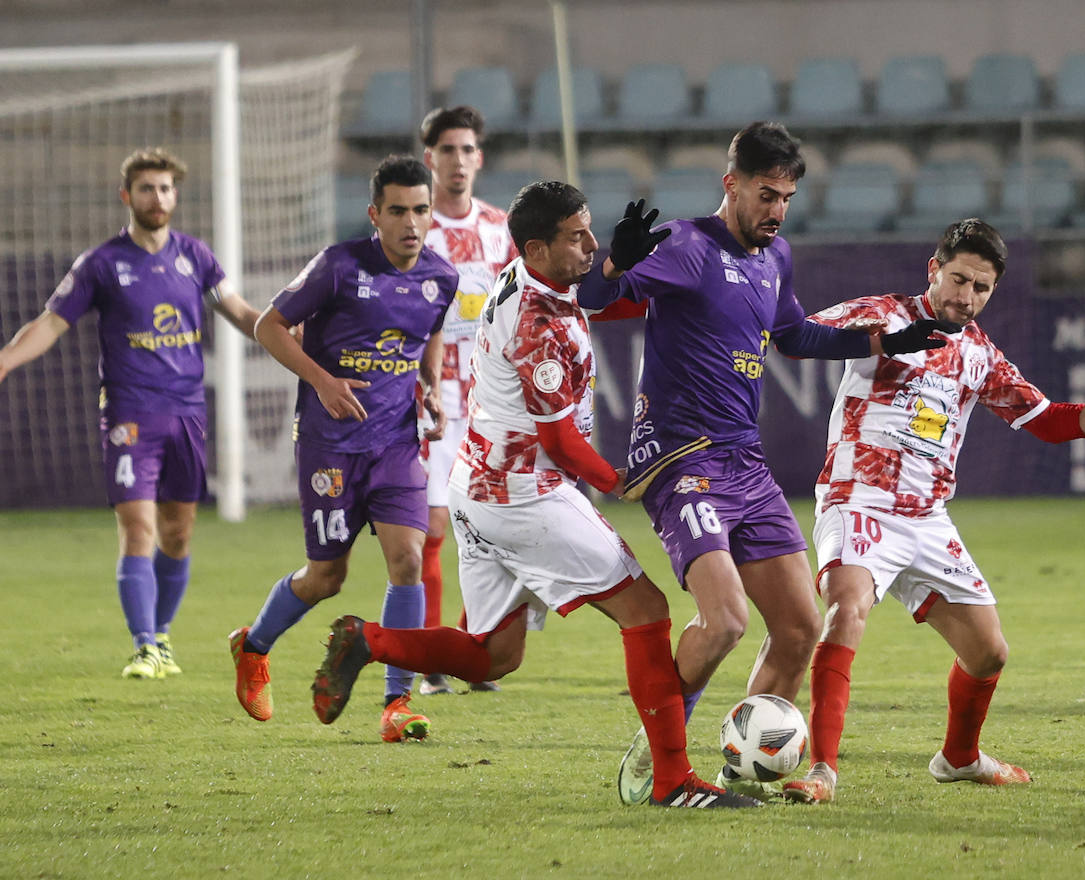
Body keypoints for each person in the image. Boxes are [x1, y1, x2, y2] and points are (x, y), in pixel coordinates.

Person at [308, 181, 760, 808]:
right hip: (526, 493)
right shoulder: (538, 326)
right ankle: (672, 781)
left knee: (494, 656)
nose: (591, 245)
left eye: (590, 231)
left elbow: (598, 292)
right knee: (648, 611)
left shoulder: (533, 276)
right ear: (538, 247)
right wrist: (622, 482)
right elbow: (561, 444)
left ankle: (370, 640)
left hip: (477, 485)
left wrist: (613, 265)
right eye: (578, 238)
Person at [576, 121, 956, 803]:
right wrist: (612, 263)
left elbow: (795, 336)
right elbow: (592, 302)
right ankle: (657, 758)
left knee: (802, 626)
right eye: (764, 194)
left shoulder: (774, 259)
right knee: (724, 620)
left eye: (785, 198)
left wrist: (886, 340)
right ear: (732, 184)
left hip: (743, 463)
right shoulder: (688, 248)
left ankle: (737, 764)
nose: (775, 211)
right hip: (679, 454)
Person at [782, 218, 1085, 803]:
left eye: (982, 288)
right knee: (846, 610)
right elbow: (798, 335)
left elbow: (1049, 421)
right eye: (958, 279)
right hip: (858, 499)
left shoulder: (979, 355)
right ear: (933, 271)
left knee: (989, 651)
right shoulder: (883, 315)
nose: (966, 297)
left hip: (927, 518)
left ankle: (959, 759)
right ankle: (822, 772)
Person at [0, 147, 260, 681]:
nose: (159, 197)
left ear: (177, 195)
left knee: (178, 533)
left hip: (187, 414)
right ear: (126, 196)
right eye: (148, 188)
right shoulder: (101, 263)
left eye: (167, 188)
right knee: (137, 528)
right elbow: (51, 322)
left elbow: (240, 312)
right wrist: (5, 360)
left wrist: (283, 332)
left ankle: (164, 639)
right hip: (130, 413)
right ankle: (143, 645)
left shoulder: (196, 257)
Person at [227, 155, 457, 743]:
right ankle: (252, 646)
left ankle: (397, 702)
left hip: (397, 444)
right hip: (330, 448)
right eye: (398, 211)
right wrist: (322, 381)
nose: (411, 223)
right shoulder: (338, 266)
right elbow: (269, 327)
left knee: (409, 559)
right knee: (327, 576)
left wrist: (428, 385)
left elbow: (427, 333)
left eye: (421, 210)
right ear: (374, 214)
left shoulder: (441, 277)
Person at [416, 105, 518, 696]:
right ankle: (430, 659)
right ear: (430, 158)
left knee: (496, 527)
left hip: (490, 403)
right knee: (432, 528)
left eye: (467, 150)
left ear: (479, 158)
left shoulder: (501, 228)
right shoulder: (414, 228)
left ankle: (473, 646)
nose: (458, 160)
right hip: (433, 403)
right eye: (447, 150)